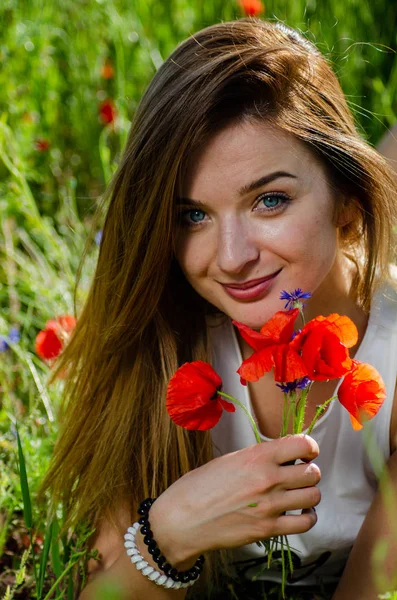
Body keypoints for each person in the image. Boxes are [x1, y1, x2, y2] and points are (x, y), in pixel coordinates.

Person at [41, 18, 397, 600]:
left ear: (348, 205)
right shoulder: (159, 336)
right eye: (193, 215)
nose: (231, 259)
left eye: (270, 200)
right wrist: (170, 533)